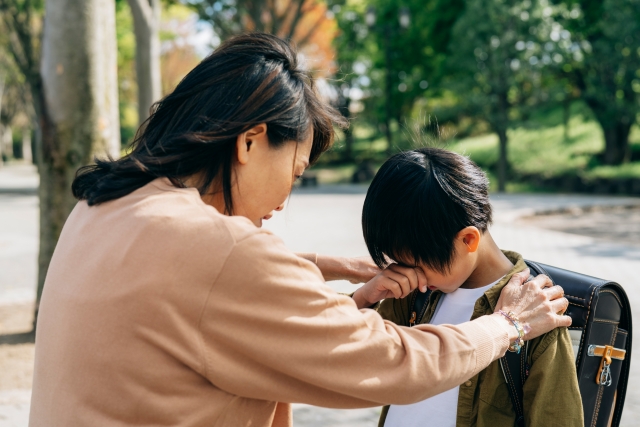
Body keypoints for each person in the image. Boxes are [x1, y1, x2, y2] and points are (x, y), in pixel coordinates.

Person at [29, 34, 570, 427]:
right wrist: (509, 327)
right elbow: (396, 365)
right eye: (295, 171)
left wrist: (335, 275)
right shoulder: (218, 249)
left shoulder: (106, 205)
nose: (286, 199)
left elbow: (189, 297)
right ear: (250, 142)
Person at [353, 147, 582, 427]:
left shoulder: (535, 310)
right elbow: (346, 359)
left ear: (468, 240)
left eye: (417, 264)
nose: (408, 274)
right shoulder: (414, 294)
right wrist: (363, 298)